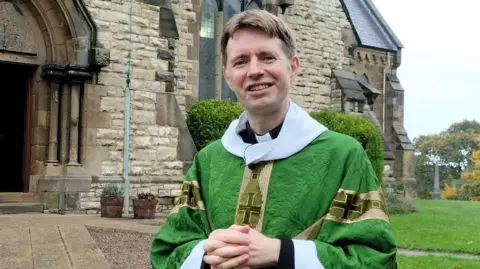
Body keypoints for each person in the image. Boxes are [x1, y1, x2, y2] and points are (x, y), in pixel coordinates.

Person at [150, 9, 398, 269]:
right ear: (227, 76)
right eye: (241, 61)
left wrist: (282, 252)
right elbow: (168, 250)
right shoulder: (208, 161)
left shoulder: (344, 156)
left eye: (267, 57)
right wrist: (207, 251)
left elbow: (374, 257)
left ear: (292, 68)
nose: (254, 71)